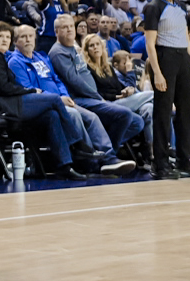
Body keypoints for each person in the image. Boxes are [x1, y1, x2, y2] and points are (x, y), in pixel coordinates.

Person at [0, 21, 86, 180]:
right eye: (0, 36)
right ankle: (77, 143)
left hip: (10, 103)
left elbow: (8, 86)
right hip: (2, 107)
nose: (5, 40)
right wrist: (31, 90)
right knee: (54, 99)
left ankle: (64, 165)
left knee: (52, 115)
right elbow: (3, 89)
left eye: (8, 37)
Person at [48, 13, 143, 173]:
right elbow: (75, 81)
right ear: (56, 31)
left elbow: (84, 75)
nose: (70, 30)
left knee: (137, 121)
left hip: (92, 97)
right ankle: (108, 157)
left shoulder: (72, 49)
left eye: (71, 26)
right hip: (79, 99)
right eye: (65, 27)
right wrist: (99, 97)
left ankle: (103, 156)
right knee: (124, 114)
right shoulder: (58, 52)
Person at [143, 0, 190, 179]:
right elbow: (150, 44)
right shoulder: (154, 6)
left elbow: (186, 40)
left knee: (186, 111)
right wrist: (157, 73)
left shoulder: (180, 8)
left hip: (182, 59)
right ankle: (159, 164)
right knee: (162, 112)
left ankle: (184, 160)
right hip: (164, 57)